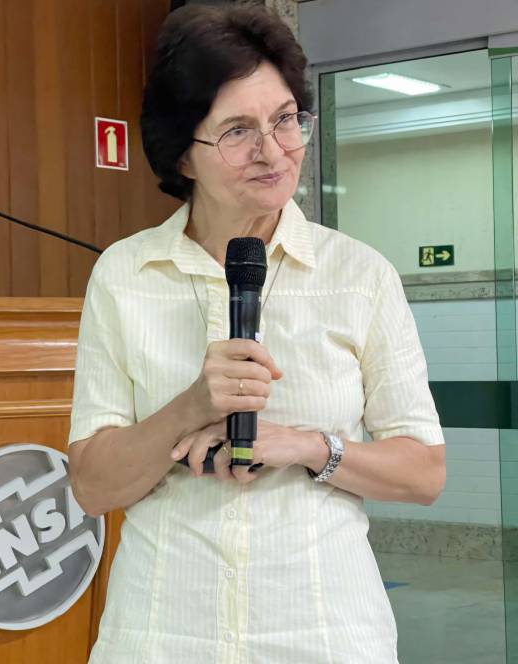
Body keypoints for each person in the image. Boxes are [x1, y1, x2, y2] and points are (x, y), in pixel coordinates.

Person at [68, 3, 446, 662]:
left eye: (285, 119)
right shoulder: (125, 275)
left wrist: (306, 446)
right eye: (238, 130)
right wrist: (191, 407)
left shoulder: (360, 276)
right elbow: (93, 487)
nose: (272, 151)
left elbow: (423, 473)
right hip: (163, 635)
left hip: (325, 635)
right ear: (183, 155)